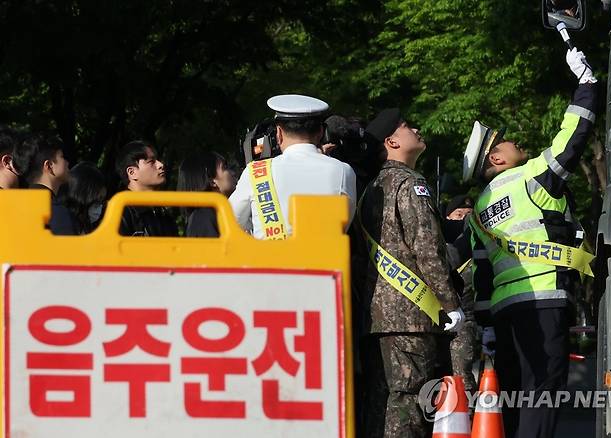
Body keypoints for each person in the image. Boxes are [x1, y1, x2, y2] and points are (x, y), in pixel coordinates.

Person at [463, 47, 597, 438]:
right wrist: (586, 85)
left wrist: (487, 326)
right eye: (503, 142)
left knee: (518, 397)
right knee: (543, 392)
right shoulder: (530, 176)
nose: (512, 141)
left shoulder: (479, 211)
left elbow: (482, 276)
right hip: (544, 303)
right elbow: (572, 139)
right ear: (498, 160)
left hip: (506, 315)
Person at [357, 108, 464, 438]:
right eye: (406, 126)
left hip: (376, 317)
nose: (416, 129)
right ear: (391, 141)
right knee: (409, 404)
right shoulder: (410, 183)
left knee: (382, 403)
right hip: (411, 316)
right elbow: (428, 249)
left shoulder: (370, 189)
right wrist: (451, 305)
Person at [229, 94, 357, 239]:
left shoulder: (256, 171)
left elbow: (230, 222)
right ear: (321, 132)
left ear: (278, 133)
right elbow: (343, 226)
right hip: (324, 260)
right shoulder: (343, 171)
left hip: (269, 260)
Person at [442, 195, 478, 396]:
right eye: (459, 215)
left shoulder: (478, 250)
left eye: (468, 216)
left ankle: (469, 418)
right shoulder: (438, 247)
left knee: (462, 374)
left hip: (466, 321)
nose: (464, 219)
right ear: (447, 218)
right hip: (438, 319)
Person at [13, 133, 77, 235]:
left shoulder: (13, 210)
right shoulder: (57, 213)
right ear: (49, 166)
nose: (67, 162)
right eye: (62, 157)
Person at [114, 140, 178, 237]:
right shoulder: (119, 214)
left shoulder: (162, 212)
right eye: (151, 161)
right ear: (132, 172)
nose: (161, 165)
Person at [177, 151, 235, 237]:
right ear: (212, 181)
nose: (232, 173)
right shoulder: (203, 218)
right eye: (225, 167)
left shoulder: (208, 214)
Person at [62, 162, 107, 234]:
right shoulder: (62, 227)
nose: (100, 207)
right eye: (97, 201)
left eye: (102, 201)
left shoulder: (85, 228)